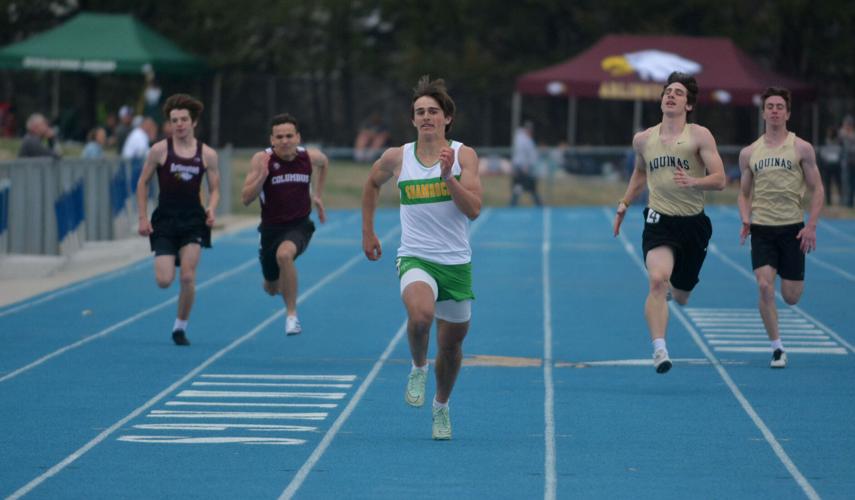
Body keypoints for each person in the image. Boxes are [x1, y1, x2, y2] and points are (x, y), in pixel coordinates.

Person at [361, 75, 482, 440]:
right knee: (420, 316)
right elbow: (370, 184)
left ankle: (441, 405)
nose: (426, 116)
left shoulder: (464, 156)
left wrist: (449, 178)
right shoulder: (397, 157)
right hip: (415, 257)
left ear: (447, 118)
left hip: (456, 262)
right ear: (412, 120)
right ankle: (417, 365)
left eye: (433, 111)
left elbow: (474, 209)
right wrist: (367, 231)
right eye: (420, 112)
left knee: (452, 345)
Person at [613, 71, 726, 374]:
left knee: (681, 295)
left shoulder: (699, 135)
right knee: (656, 281)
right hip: (658, 221)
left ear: (688, 105)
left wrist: (694, 181)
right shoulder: (644, 139)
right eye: (668, 91)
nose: (671, 95)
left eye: (678, 93)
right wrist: (624, 203)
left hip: (693, 225)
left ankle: (674, 293)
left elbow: (720, 180)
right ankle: (660, 349)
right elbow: (639, 173)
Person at [737, 87, 824, 369]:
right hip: (762, 228)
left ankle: (787, 299)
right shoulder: (750, 152)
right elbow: (743, 192)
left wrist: (811, 225)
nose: (774, 110)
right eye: (770, 106)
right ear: (763, 113)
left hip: (793, 229)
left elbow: (818, 188)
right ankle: (777, 348)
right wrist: (745, 217)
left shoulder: (802, 148)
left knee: (791, 296)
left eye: (779, 106)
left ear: (787, 113)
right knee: (764, 286)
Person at [136, 94, 220, 346]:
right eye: (174, 120)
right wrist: (142, 217)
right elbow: (142, 183)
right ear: (169, 124)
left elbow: (215, 188)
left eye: (184, 119)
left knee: (187, 277)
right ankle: (171, 253)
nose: (179, 124)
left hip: (193, 221)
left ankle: (179, 327)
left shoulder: (207, 154)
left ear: (193, 122)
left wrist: (212, 208)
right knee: (164, 281)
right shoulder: (160, 151)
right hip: (165, 221)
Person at [240, 113, 328, 335]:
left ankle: (291, 316)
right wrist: (261, 176)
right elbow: (246, 199)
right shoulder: (262, 160)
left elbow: (324, 163)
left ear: (298, 137)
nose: (285, 141)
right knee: (271, 287)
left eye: (289, 136)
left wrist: (317, 195)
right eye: (279, 137)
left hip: (300, 225)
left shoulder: (308, 157)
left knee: (285, 255)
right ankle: (276, 282)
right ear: (272, 139)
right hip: (270, 230)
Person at [510, 120, 542, 206]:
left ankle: (513, 204)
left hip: (524, 167)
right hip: (522, 167)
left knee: (522, 186)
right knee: (525, 186)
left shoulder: (526, 139)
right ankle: (538, 204)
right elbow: (522, 154)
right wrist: (524, 166)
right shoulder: (522, 139)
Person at [819, 126, 843, 205]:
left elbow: (841, 152)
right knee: (827, 184)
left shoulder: (839, 142)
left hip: (836, 166)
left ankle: (841, 200)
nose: (829, 133)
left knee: (839, 183)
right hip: (827, 166)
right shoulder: (825, 141)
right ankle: (828, 201)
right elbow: (822, 153)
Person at [838, 115, 855, 207]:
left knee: (852, 183)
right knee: (845, 182)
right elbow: (840, 137)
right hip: (846, 163)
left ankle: (851, 201)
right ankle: (846, 201)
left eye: (849, 125)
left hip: (853, 162)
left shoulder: (852, 135)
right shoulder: (842, 133)